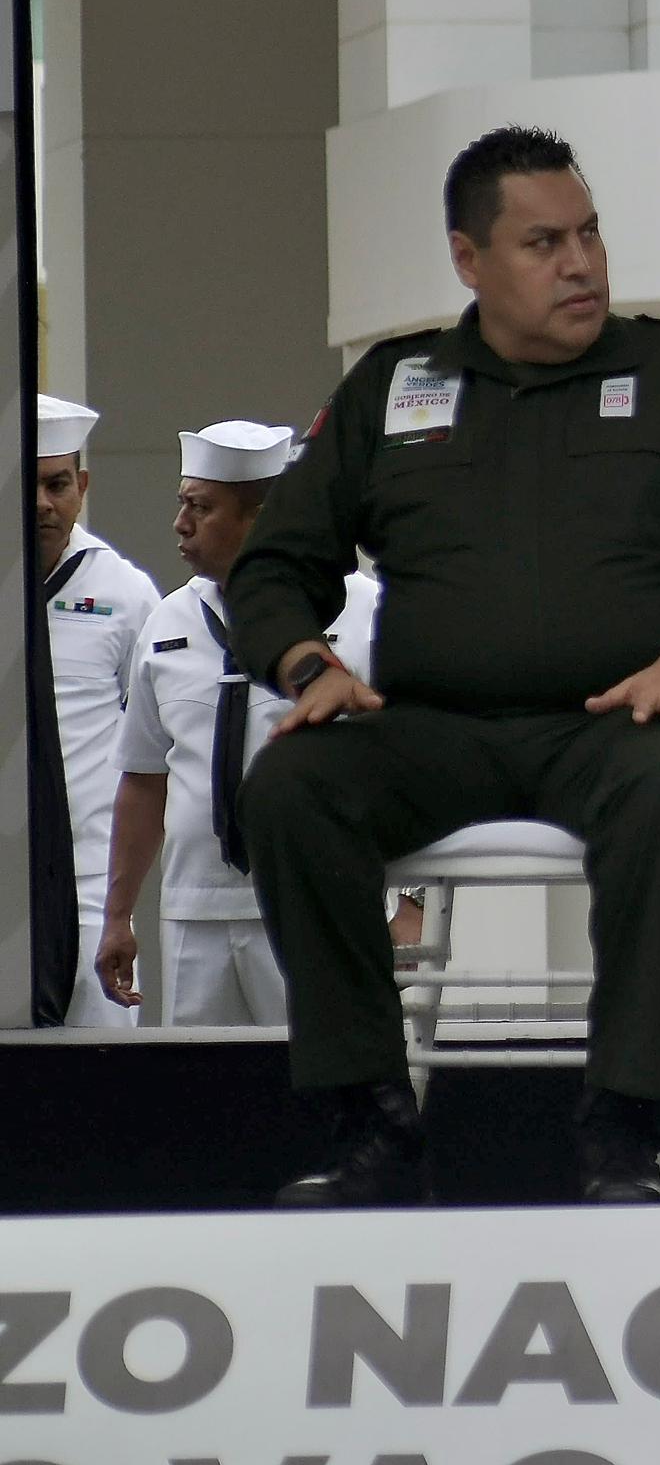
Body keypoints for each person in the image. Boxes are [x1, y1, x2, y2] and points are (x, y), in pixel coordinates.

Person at [231, 128, 660, 1203]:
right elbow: (272, 566)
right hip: (432, 730)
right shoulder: (396, 386)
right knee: (292, 786)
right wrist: (309, 667)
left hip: (622, 723)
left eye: (589, 233)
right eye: (544, 242)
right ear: (469, 258)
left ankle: (622, 1133)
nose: (581, 263)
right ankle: (371, 1127)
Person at [96, 422, 375, 1027]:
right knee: (201, 1078)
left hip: (314, 899)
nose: (180, 524)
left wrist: (412, 904)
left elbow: (407, 760)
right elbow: (144, 777)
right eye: (182, 504)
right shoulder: (169, 620)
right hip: (194, 908)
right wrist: (118, 914)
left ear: (261, 518)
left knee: (317, 1068)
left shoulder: (360, 610)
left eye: (201, 507)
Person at [36, 396, 165, 1031]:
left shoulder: (125, 592)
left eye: (57, 484)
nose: (43, 503)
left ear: (82, 487)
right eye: (26, 485)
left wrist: (119, 902)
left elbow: (152, 740)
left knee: (99, 1062)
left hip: (88, 883)